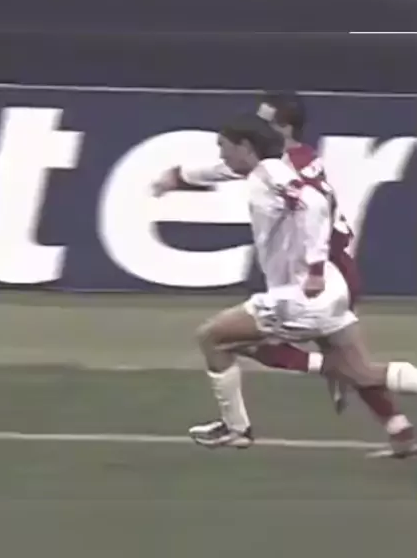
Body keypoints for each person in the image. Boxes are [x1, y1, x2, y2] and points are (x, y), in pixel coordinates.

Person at [153, 114, 417, 456]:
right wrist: (177, 177)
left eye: (224, 146)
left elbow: (314, 204)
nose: (221, 154)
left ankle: (236, 428)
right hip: (329, 291)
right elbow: (221, 171)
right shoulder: (268, 170)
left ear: (245, 147)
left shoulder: (270, 176)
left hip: (301, 295)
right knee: (363, 373)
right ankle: (393, 425)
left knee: (213, 337)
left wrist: (315, 268)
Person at [255, 92, 415, 451]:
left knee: (252, 342)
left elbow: (313, 212)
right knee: (353, 364)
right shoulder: (296, 158)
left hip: (325, 276)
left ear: (284, 127)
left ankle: (330, 369)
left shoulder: (288, 168)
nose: (253, 127)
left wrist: (314, 270)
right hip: (331, 270)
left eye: (262, 122)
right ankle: (399, 429)